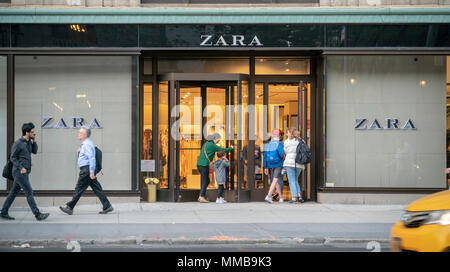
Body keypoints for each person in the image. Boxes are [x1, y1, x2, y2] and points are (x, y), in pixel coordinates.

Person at [0, 123, 50, 221]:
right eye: (32, 132)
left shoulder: (29, 143)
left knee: (13, 192)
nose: (34, 133)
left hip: (25, 172)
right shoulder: (18, 143)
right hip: (19, 172)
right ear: (26, 132)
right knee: (29, 192)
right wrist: (21, 167)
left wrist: (34, 141)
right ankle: (37, 214)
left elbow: (34, 151)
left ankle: (3, 212)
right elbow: (12, 157)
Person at [60, 126, 113, 215]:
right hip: (88, 169)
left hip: (87, 170)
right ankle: (107, 206)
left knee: (79, 188)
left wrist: (91, 172)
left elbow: (91, 158)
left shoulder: (87, 144)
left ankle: (70, 207)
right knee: (97, 188)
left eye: (80, 133)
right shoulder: (86, 144)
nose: (78, 134)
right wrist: (79, 152)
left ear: (84, 134)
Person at [196, 133, 233, 203]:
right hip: (204, 165)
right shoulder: (212, 145)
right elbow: (222, 150)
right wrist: (231, 148)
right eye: (218, 140)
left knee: (206, 181)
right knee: (205, 181)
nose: (218, 141)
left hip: (199, 164)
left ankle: (200, 196)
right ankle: (201, 197)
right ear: (214, 138)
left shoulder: (205, 144)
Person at [283, 128, 305, 203]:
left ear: (291, 134)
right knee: (295, 180)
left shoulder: (286, 141)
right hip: (299, 163)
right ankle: (299, 195)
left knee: (291, 180)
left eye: (287, 133)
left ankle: (294, 197)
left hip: (289, 163)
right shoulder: (301, 141)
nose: (286, 134)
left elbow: (285, 152)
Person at [264, 129, 285, 204]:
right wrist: (284, 159)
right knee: (275, 180)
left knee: (276, 181)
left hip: (270, 164)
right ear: (279, 136)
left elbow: (265, 156)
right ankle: (269, 195)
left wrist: (265, 167)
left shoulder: (267, 144)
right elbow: (281, 154)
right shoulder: (279, 143)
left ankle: (281, 197)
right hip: (278, 164)